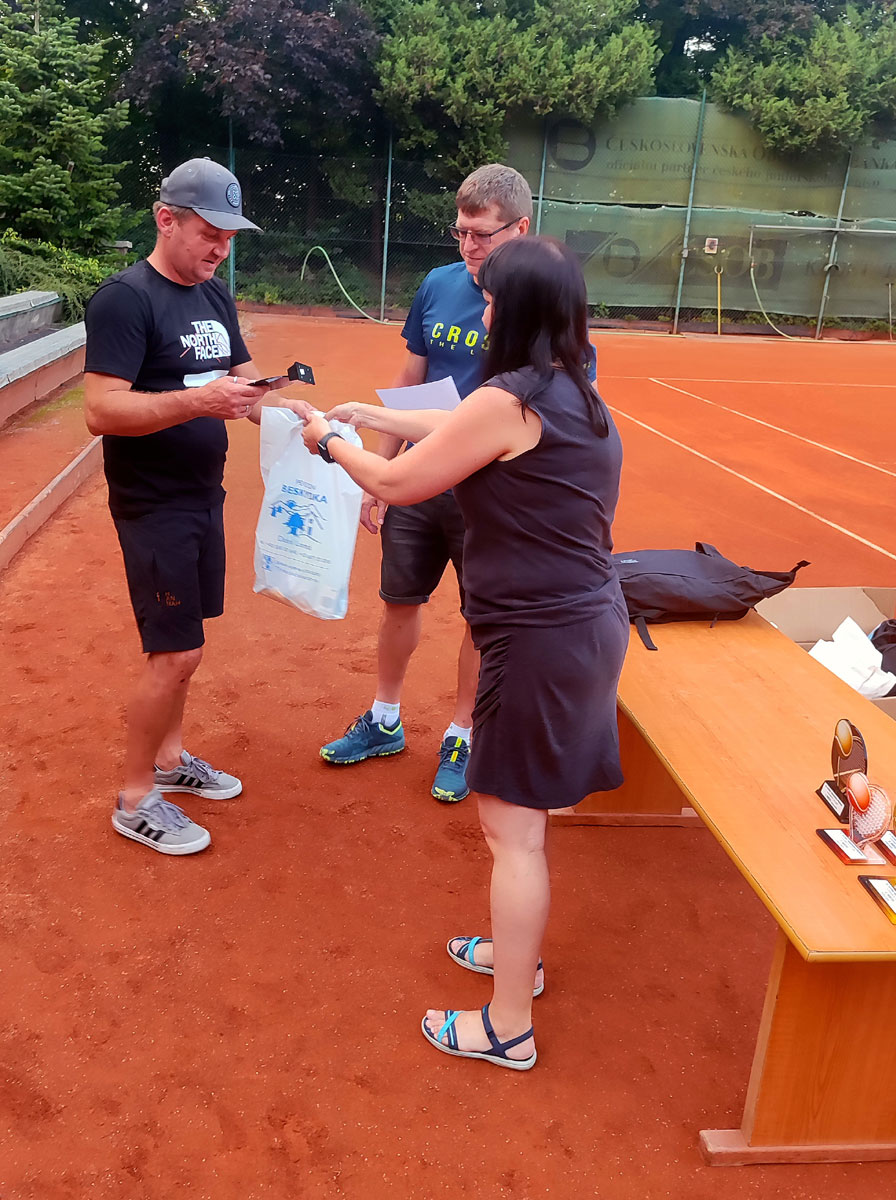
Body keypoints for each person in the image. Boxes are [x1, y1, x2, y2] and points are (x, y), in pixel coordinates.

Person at [297, 236, 629, 1069]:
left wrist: (329, 441)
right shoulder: (571, 388)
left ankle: (508, 1024)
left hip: (539, 638)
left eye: (490, 298)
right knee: (524, 824)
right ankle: (518, 958)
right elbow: (459, 426)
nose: (480, 310)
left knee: (513, 832)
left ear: (515, 310)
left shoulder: (510, 400)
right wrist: (373, 416)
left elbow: (399, 483)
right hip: (582, 624)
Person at [318, 164, 533, 804]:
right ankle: (384, 719)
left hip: (490, 493)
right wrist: (380, 479)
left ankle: (463, 734)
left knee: (479, 616)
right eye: (460, 232)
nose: (469, 246)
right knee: (399, 600)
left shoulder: (540, 303)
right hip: (419, 477)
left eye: (482, 234)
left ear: (520, 229)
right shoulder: (438, 284)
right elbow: (411, 379)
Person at [84, 158, 274, 856]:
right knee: (176, 650)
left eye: (229, 236)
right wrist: (198, 401)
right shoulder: (124, 299)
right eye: (209, 233)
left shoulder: (214, 293)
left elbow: (243, 382)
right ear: (166, 219)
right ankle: (136, 797)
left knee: (188, 647)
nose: (220, 248)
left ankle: (169, 760)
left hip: (202, 495)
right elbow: (102, 410)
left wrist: (305, 414)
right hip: (152, 503)